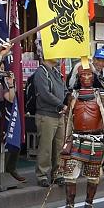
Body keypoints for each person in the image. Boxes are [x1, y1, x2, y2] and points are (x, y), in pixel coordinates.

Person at [58, 66, 104, 208]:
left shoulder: (100, 95)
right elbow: (69, 119)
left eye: (89, 75)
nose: (87, 78)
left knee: (93, 175)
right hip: (76, 138)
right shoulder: (73, 95)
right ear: (78, 77)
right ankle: (69, 205)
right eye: (83, 75)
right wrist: (66, 138)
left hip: (95, 140)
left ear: (94, 76)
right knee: (69, 173)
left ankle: (89, 202)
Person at [34, 57, 67, 187]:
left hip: (59, 114)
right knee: (45, 147)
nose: (59, 56)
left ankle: (58, 173)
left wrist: (67, 100)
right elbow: (45, 93)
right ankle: (42, 175)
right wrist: (61, 104)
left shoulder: (56, 72)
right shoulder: (41, 72)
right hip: (46, 114)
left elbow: (64, 89)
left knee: (59, 146)